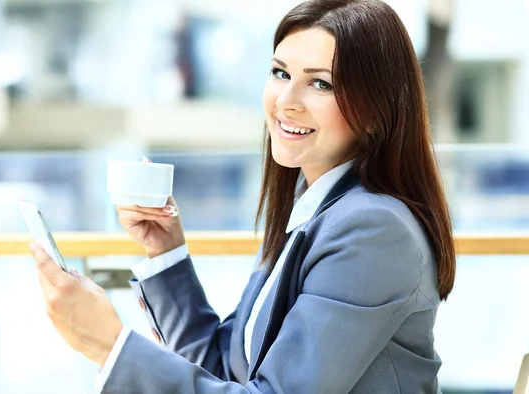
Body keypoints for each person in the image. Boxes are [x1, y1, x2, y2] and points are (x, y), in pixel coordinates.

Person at [30, 0, 456, 392]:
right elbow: (225, 368)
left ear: (376, 109)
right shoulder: (312, 212)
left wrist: (110, 345)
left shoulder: (372, 231)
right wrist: (165, 252)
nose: (286, 101)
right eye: (280, 73)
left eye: (321, 84)